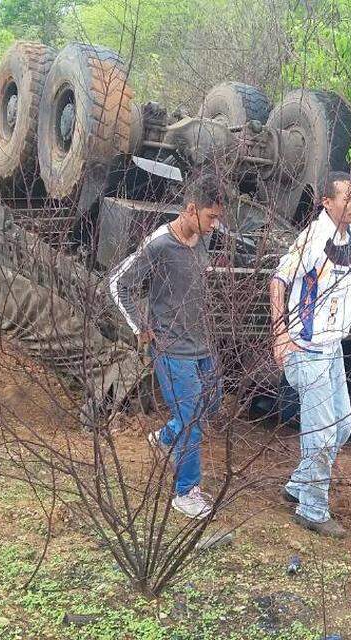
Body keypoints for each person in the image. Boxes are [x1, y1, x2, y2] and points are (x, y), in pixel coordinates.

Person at [270, 171, 351, 538]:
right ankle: (311, 508)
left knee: (342, 426)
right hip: (306, 347)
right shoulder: (312, 238)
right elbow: (278, 280)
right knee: (323, 433)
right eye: (349, 198)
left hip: (332, 347)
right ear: (327, 202)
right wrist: (280, 334)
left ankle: (299, 484)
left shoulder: (349, 234)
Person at [110, 174, 225, 519]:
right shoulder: (159, 244)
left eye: (218, 218)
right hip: (172, 349)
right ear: (191, 210)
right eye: (210, 217)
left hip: (203, 345)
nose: (214, 225)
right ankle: (186, 492)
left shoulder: (202, 241)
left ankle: (164, 438)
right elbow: (118, 283)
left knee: (211, 404)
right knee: (191, 419)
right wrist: (140, 326)